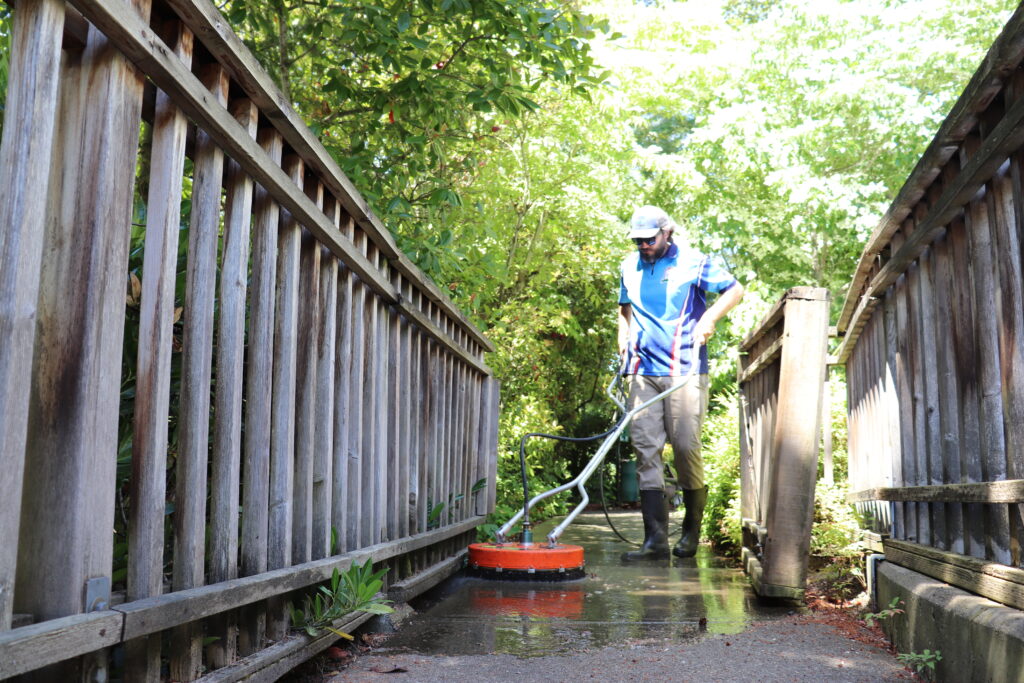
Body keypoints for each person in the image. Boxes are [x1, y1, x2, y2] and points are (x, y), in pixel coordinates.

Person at [617, 205, 744, 560]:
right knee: (646, 451)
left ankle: (691, 532)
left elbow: (734, 290)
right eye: (638, 240)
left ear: (666, 233)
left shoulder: (695, 261)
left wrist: (709, 318)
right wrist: (622, 334)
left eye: (649, 239)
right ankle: (654, 540)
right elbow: (624, 306)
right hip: (642, 371)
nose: (643, 245)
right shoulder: (629, 266)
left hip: (685, 369)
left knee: (686, 447)